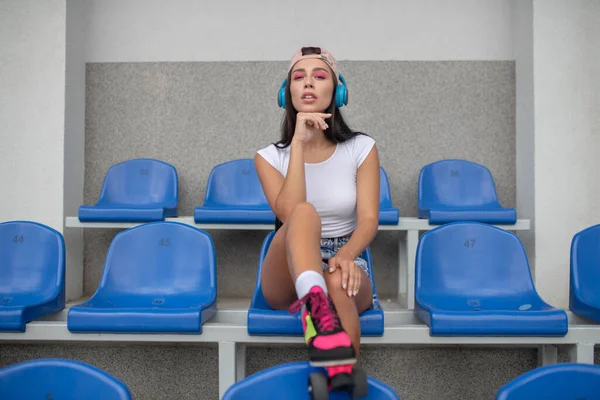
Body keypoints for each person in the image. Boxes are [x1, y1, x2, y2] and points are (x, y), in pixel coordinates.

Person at [254, 46, 380, 365]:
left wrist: (345, 256)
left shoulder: (361, 148)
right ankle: (315, 302)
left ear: (338, 92)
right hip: (287, 265)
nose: (308, 83)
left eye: (319, 76)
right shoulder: (269, 158)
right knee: (304, 212)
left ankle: (342, 370)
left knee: (337, 280)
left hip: (343, 254)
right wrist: (297, 143)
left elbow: (368, 220)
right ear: (287, 93)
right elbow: (288, 214)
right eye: (299, 77)